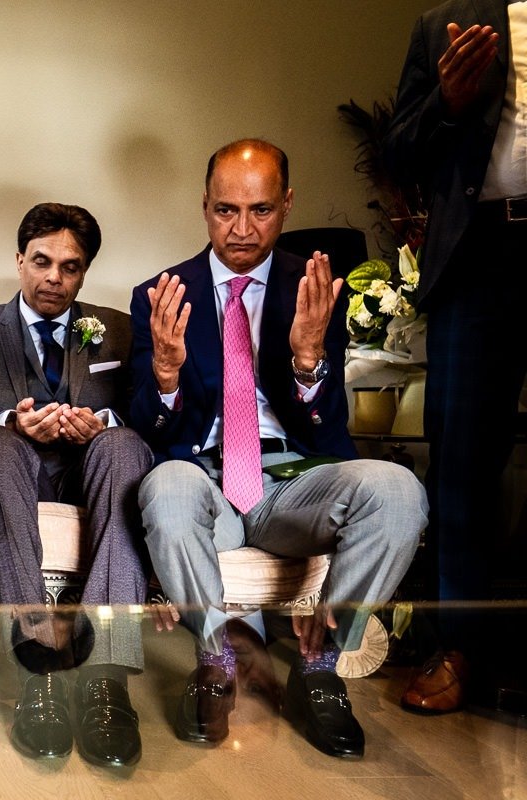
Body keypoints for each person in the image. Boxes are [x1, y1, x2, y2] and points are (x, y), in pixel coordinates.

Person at [130, 139, 426, 758]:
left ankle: (318, 672)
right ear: (203, 205)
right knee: (166, 483)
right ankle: (214, 663)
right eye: (224, 210)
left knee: (400, 492)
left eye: (260, 210)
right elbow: (149, 433)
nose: (241, 229)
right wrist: (164, 374)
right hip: (203, 475)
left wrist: (308, 359)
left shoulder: (314, 286)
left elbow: (324, 429)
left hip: (293, 479)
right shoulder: (159, 293)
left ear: (287, 204)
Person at [0, 203, 151, 769]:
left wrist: (104, 425)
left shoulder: (119, 330)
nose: (54, 278)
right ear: (19, 261)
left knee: (126, 443)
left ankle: (106, 676)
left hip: (93, 473)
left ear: (84, 272)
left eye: (70, 266)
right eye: (41, 261)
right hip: (9, 474)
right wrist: (9, 421)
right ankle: (36, 665)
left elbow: (146, 413)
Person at [384, 1, 527, 715]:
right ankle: (459, 647)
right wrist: (447, 101)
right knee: (463, 459)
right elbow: (399, 151)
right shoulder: (446, 22)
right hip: (479, 259)